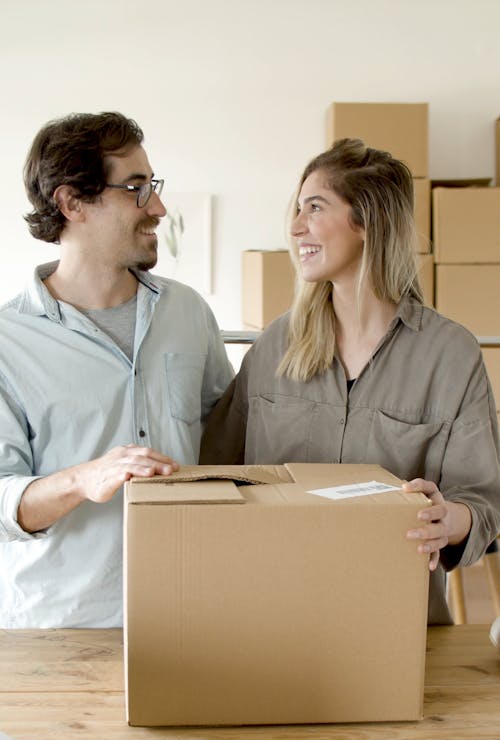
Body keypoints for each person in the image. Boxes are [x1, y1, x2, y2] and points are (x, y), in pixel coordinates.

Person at [201, 138, 500, 624]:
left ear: (366, 222)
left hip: (396, 624)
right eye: (297, 211)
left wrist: (451, 520)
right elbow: (215, 469)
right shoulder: (276, 345)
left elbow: (483, 501)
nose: (296, 228)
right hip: (273, 618)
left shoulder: (450, 355)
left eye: (314, 208)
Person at [0, 111, 233, 628]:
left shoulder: (188, 312)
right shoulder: (6, 341)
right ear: (72, 202)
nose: (158, 206)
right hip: (62, 628)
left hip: (187, 614)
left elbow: (227, 442)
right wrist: (83, 479)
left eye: (152, 185)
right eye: (135, 188)